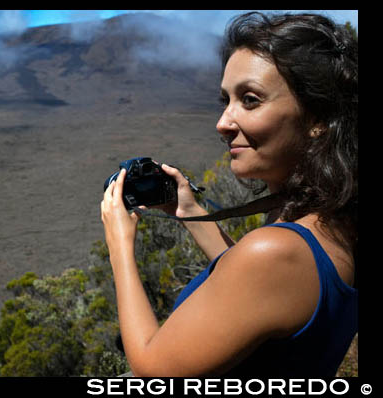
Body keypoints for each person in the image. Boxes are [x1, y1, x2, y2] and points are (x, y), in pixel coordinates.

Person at [100, 11, 357, 377]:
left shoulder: (275, 252)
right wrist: (188, 210)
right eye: (226, 100)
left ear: (318, 118)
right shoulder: (331, 223)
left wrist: (119, 245)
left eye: (250, 100)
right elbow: (256, 292)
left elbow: (152, 370)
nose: (223, 123)